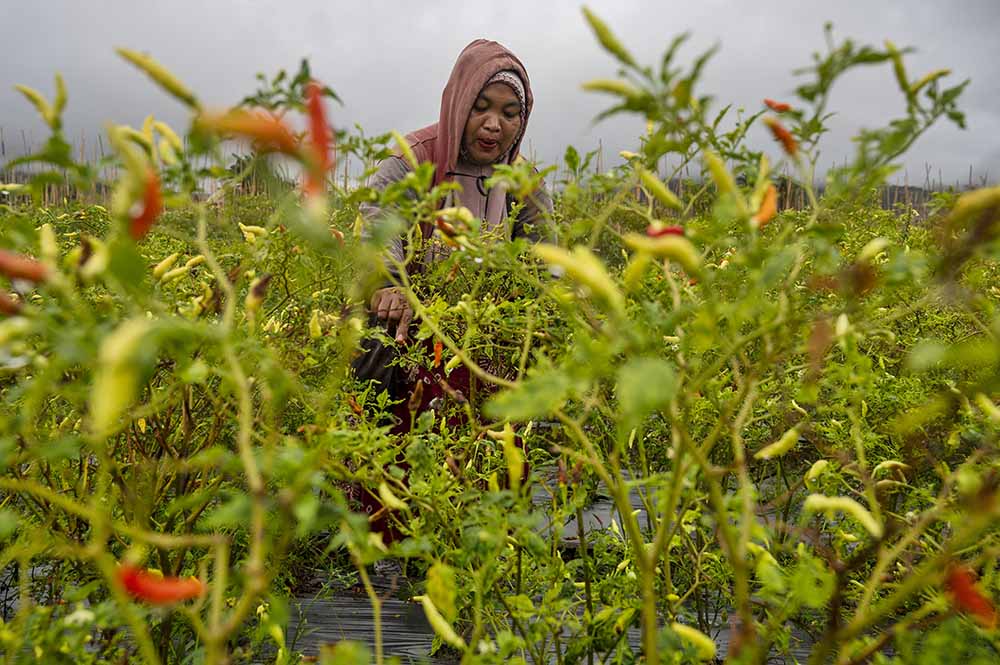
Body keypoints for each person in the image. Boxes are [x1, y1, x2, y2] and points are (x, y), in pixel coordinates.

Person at [354, 39, 553, 566]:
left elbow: (546, 254)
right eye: (482, 108)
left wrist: (541, 297)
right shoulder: (412, 161)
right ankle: (392, 551)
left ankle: (484, 547)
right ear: (459, 101)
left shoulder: (521, 181)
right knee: (401, 430)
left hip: (488, 332)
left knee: (494, 438)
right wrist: (392, 283)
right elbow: (380, 229)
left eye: (510, 113)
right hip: (413, 326)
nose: (495, 125)